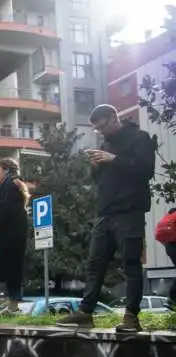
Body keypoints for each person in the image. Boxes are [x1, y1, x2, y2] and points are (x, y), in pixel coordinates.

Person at [57, 104, 157, 332]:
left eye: (102, 126)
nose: (101, 132)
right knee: (95, 264)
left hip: (129, 211)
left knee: (130, 263)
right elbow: (102, 181)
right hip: (105, 213)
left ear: (114, 117)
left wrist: (113, 159)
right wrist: (96, 167)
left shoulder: (138, 138)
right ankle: (85, 313)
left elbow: (146, 170)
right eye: (97, 130)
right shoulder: (106, 144)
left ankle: (131, 317)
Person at [0, 158, 30, 313]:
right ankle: (13, 306)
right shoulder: (15, 185)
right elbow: (7, 207)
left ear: (6, 170)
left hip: (1, 235)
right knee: (13, 271)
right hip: (15, 237)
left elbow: (3, 211)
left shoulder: (8, 186)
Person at [154, 208, 176, 308]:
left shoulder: (167, 218)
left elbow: (158, 236)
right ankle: (171, 299)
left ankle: (172, 299)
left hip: (169, 246)